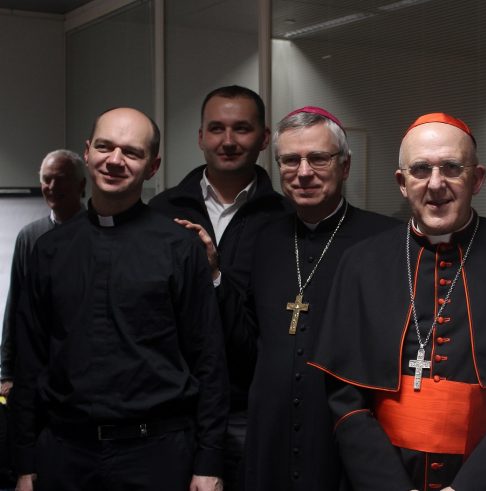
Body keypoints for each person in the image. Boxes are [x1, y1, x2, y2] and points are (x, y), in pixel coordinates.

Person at [310, 113, 486, 491]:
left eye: (452, 168)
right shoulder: (361, 263)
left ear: (478, 179)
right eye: (421, 169)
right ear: (402, 183)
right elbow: (345, 399)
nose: (436, 184)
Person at [11, 107, 228, 491]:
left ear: (153, 166)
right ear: (88, 151)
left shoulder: (179, 248)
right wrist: (24, 461)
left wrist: (209, 462)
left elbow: (209, 361)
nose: (114, 160)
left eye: (131, 152)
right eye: (104, 147)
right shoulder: (49, 250)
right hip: (64, 454)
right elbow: (29, 362)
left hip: (157, 455)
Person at [234, 106, 398, 490]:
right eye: (290, 160)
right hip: (269, 435)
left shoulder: (387, 241)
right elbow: (243, 339)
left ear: (345, 166)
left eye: (318, 158)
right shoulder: (261, 238)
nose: (303, 172)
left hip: (347, 436)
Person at [150, 85, 289, 489]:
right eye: (216, 129)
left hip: (249, 410)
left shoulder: (286, 217)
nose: (228, 141)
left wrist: (214, 275)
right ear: (200, 137)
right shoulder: (161, 213)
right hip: (172, 410)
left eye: (242, 128)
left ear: (264, 138)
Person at [1, 150, 87, 397]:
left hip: (84, 366)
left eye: (61, 179)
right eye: (47, 179)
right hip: (37, 366)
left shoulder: (96, 232)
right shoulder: (30, 236)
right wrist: (6, 372)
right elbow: (16, 303)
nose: (52, 186)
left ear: (81, 185)